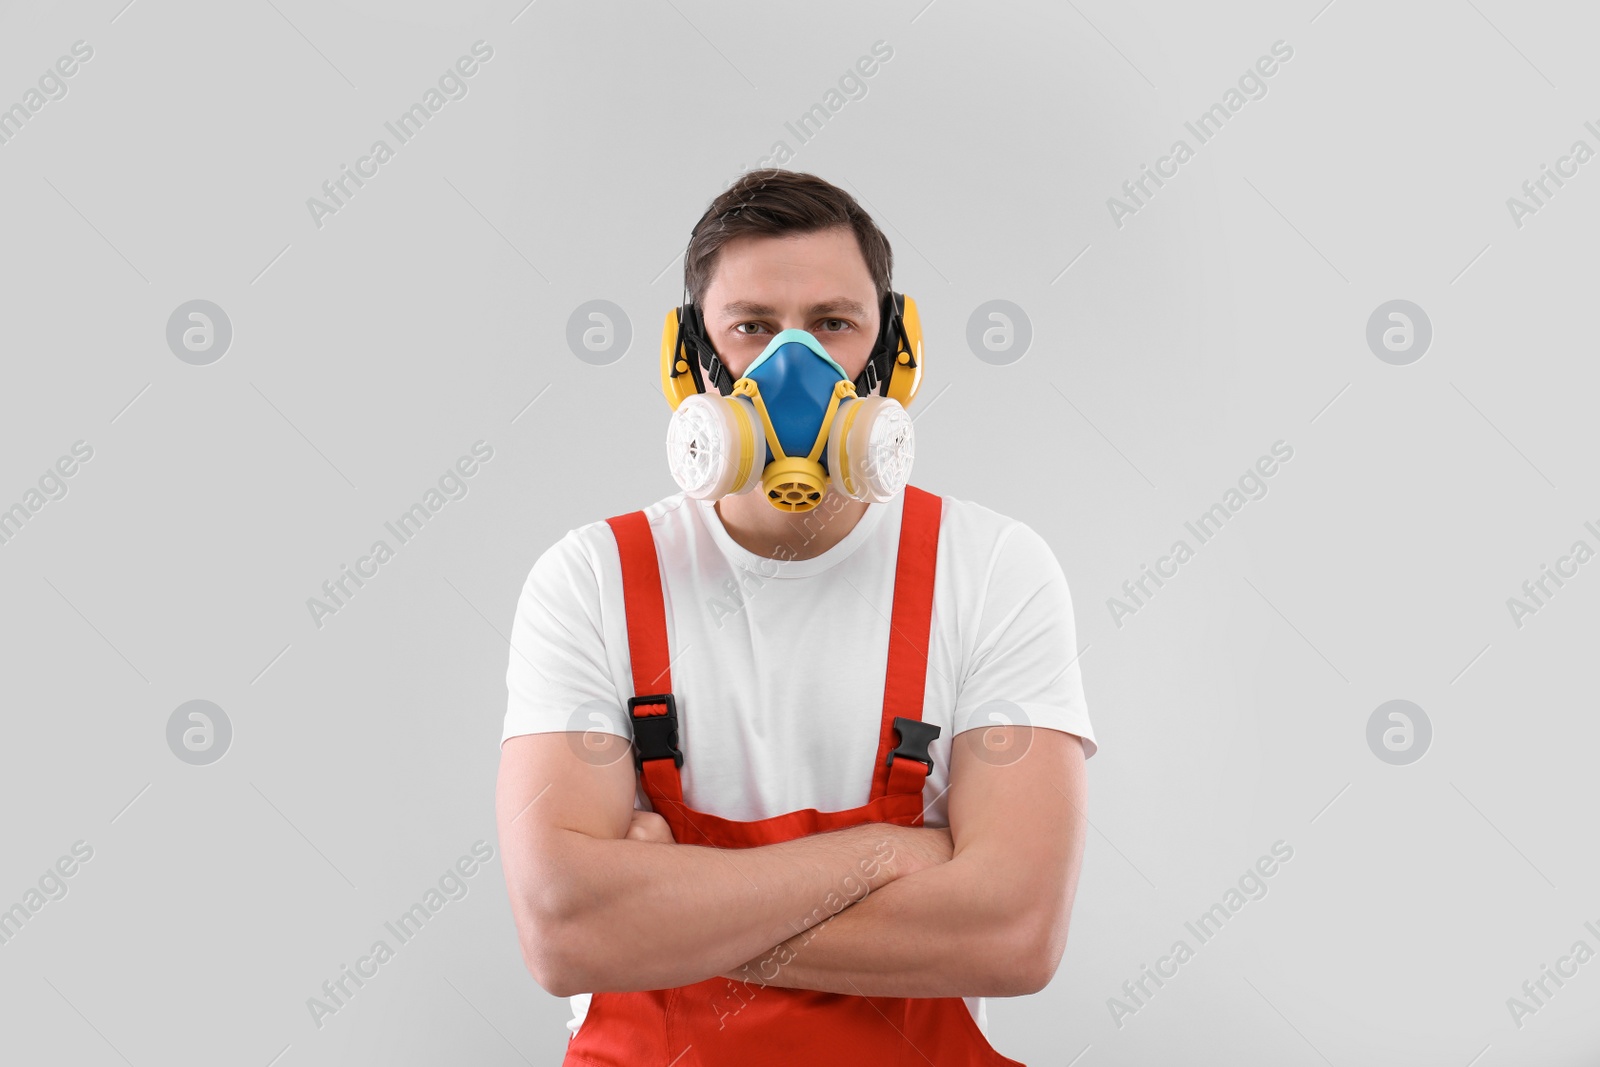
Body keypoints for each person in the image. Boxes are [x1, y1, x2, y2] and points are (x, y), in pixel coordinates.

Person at [494, 168, 1098, 1066]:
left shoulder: (991, 570)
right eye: (751, 328)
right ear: (691, 358)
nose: (793, 368)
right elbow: (566, 931)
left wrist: (664, 907)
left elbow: (1014, 932)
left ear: (894, 350)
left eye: (832, 325)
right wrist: (897, 856)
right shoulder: (593, 579)